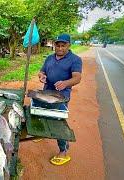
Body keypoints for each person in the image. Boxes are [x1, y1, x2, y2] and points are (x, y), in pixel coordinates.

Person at [38, 33, 82, 166]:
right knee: (41, 113)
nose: (60, 48)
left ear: (69, 45)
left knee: (58, 121)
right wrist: (41, 76)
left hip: (61, 96)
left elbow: (77, 78)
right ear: (55, 45)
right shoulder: (50, 58)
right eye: (58, 45)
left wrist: (65, 83)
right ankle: (42, 133)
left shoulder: (75, 59)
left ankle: (63, 150)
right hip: (46, 92)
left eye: (64, 45)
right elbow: (42, 72)